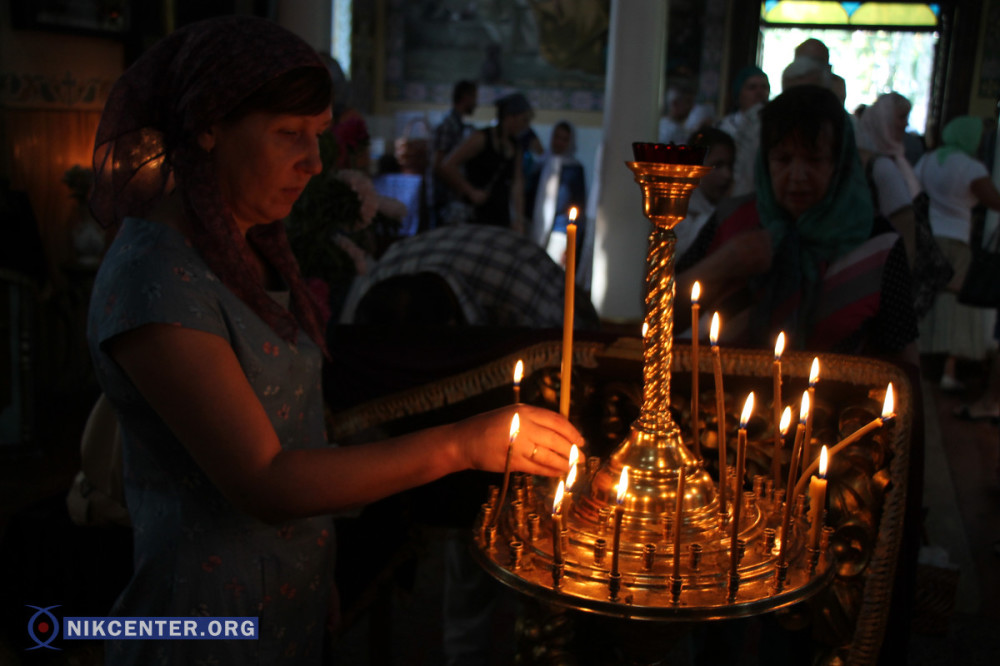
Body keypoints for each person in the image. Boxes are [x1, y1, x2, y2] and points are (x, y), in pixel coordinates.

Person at [86, 17, 579, 665]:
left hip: (283, 598)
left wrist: (312, 572)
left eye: (318, 134)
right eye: (288, 134)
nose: (314, 162)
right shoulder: (156, 278)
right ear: (207, 125)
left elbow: (295, 428)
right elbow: (266, 480)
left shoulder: (244, 244)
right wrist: (463, 443)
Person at [677, 85, 919, 362]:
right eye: (783, 159)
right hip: (724, 389)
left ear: (840, 163)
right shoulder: (734, 221)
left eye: (814, 159)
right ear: (764, 161)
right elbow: (662, 316)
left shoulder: (876, 243)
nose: (797, 175)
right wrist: (724, 263)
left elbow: (901, 357)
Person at [914, 116, 1000, 391]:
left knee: (925, 298)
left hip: (927, 239)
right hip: (956, 241)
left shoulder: (928, 160)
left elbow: (913, 190)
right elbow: (993, 200)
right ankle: (947, 371)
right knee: (952, 302)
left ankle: (918, 361)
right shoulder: (970, 167)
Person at [439, 92, 533, 230]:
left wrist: (518, 218)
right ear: (510, 117)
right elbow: (448, 165)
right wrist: (470, 191)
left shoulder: (515, 146)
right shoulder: (481, 138)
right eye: (523, 120)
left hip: (500, 215)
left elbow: (517, 183)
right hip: (476, 213)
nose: (525, 126)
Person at [525, 120, 587, 267]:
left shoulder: (574, 169)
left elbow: (578, 204)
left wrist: (573, 242)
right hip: (534, 225)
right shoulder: (540, 164)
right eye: (557, 137)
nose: (559, 142)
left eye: (564, 139)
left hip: (560, 228)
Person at [674, 128, 735, 260]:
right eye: (717, 166)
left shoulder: (725, 211)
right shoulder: (676, 219)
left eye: (730, 166)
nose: (727, 175)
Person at [717, 65, 769, 197]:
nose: (759, 92)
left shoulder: (774, 126)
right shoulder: (724, 127)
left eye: (764, 87)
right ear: (739, 92)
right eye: (752, 87)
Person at [431, 80, 478, 227]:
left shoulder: (459, 126)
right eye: (474, 97)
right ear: (465, 97)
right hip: (444, 200)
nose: (476, 103)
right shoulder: (449, 126)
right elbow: (438, 165)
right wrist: (464, 189)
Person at [658, 78, 714, 145]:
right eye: (688, 102)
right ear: (675, 103)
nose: (692, 107)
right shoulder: (664, 130)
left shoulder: (680, 128)